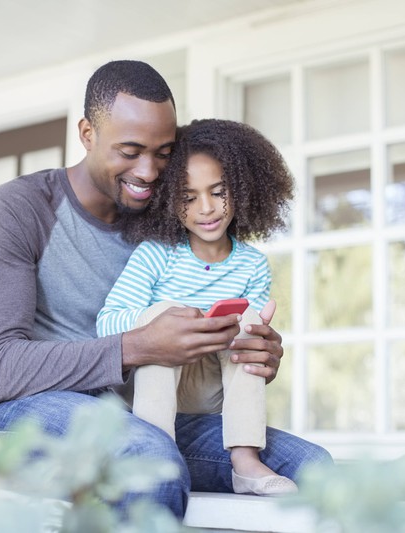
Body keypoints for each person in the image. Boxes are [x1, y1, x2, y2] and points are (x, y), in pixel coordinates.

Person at [0, 59, 332, 518]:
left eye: (164, 152)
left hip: (132, 417)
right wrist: (139, 346)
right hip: (5, 416)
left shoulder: (167, 221)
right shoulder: (18, 210)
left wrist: (250, 353)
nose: (150, 171)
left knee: (312, 467)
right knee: (149, 456)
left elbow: (196, 331)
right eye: (130, 151)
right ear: (87, 133)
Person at [96, 118, 297, 496]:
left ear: (241, 189)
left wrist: (253, 333)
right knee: (162, 312)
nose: (206, 208)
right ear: (171, 202)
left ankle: (245, 460)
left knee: (248, 322)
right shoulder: (156, 256)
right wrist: (172, 323)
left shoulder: (252, 264)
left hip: (211, 389)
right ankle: (155, 453)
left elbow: (249, 362)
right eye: (189, 197)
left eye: (219, 192)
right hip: (156, 385)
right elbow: (107, 324)